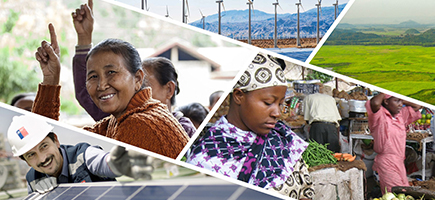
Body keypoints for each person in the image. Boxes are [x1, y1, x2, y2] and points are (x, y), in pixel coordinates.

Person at [34, 23, 188, 159]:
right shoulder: (119, 120)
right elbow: (48, 144)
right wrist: (51, 78)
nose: (101, 85)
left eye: (111, 73)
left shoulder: (138, 125)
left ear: (138, 79)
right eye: (93, 76)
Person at [186, 53, 313, 199]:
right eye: (268, 102)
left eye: (280, 103)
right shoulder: (204, 159)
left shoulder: (285, 140)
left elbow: (306, 188)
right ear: (239, 96)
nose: (277, 113)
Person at [71, 0, 196, 137]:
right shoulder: (120, 118)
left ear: (169, 89)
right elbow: (85, 93)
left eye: (144, 84)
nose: (137, 91)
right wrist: (84, 38)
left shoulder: (182, 129)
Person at [7, 115, 153, 194]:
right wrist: (43, 196)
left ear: (56, 141)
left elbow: (101, 162)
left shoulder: (83, 155)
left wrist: (115, 165)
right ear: (26, 161)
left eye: (44, 146)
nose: (42, 158)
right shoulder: (32, 179)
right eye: (31, 155)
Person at [365, 93, 421, 194]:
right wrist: (385, 92)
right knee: (396, 193)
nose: (400, 104)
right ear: (386, 101)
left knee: (406, 193)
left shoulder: (400, 116)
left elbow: (418, 105)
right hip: (387, 162)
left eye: (401, 101)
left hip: (399, 162)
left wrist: (399, 98)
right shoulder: (379, 116)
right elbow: (375, 102)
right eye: (396, 101)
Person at [303, 87, 342, 153]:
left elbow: (307, 118)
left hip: (317, 126)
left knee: (317, 153)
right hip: (331, 127)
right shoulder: (331, 99)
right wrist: (338, 139)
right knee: (333, 154)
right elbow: (337, 120)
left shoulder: (308, 97)